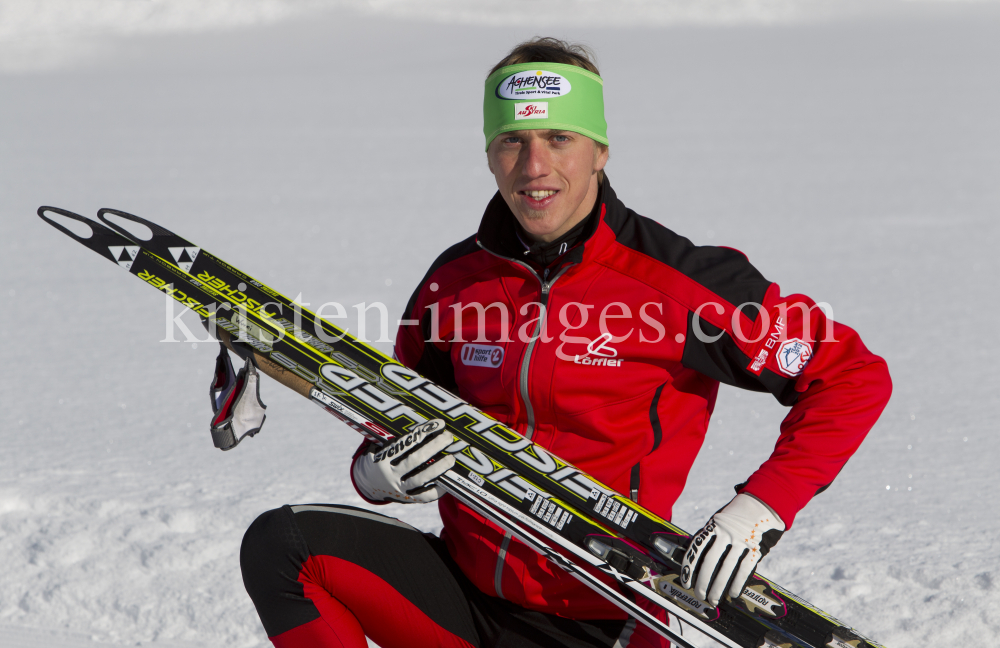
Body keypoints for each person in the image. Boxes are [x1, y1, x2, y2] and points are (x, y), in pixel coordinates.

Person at [238, 38, 892, 648]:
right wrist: (376, 476)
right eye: (512, 142)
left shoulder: (679, 283)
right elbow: (396, 412)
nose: (534, 166)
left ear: (600, 151)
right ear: (489, 154)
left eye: (559, 138)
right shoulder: (456, 283)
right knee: (284, 546)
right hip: (467, 598)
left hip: (610, 616)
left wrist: (760, 507)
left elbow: (851, 376)